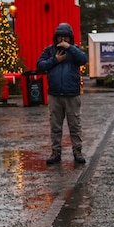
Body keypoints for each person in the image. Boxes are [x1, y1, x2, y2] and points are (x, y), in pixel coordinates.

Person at [37, 22, 89, 165]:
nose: (63, 40)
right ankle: (56, 152)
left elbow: (83, 59)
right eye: (60, 37)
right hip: (55, 95)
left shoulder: (74, 51)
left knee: (75, 125)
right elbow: (40, 65)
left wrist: (70, 48)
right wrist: (55, 60)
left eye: (66, 38)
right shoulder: (49, 51)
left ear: (70, 38)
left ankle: (77, 152)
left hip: (72, 94)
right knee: (55, 126)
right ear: (56, 37)